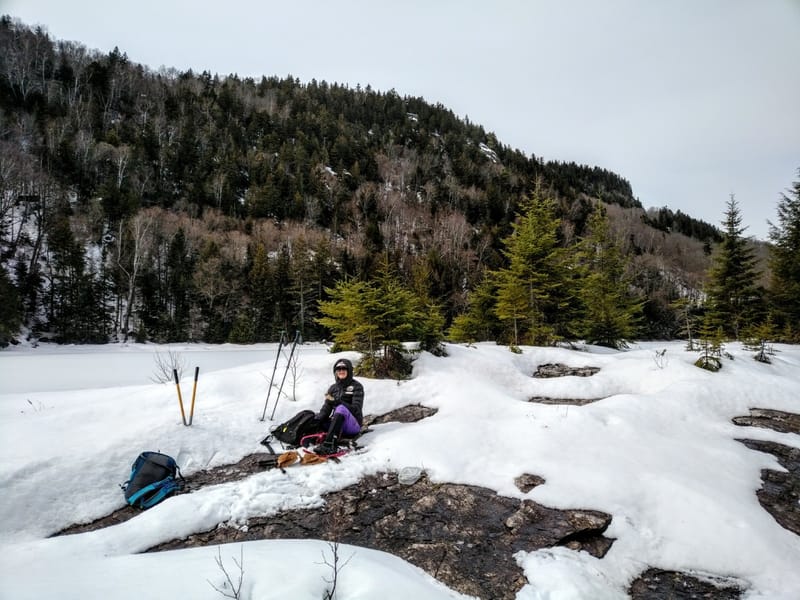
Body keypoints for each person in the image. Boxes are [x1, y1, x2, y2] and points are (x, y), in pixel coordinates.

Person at [314, 358, 364, 455]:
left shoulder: (357, 387)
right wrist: (318, 419)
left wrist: (337, 402)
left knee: (341, 408)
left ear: (349, 371)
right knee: (314, 416)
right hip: (337, 424)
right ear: (335, 372)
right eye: (338, 369)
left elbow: (356, 409)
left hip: (353, 425)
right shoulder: (333, 388)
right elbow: (326, 409)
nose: (341, 371)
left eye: (344, 369)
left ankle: (329, 445)